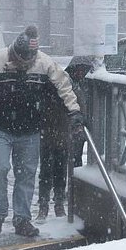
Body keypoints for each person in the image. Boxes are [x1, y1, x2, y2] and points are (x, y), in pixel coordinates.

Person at [0, 25, 83, 238]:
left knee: (26, 175)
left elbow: (64, 86)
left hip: (30, 130)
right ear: (15, 52)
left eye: (30, 59)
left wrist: (74, 112)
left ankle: (22, 218)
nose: (26, 63)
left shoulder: (44, 63)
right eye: (23, 59)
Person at [37, 56, 94, 219]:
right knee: (50, 170)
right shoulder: (64, 83)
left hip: (62, 132)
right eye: (80, 70)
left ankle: (56, 203)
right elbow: (77, 106)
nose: (82, 73)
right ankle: (48, 204)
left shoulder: (76, 84)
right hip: (54, 131)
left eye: (85, 70)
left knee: (58, 169)